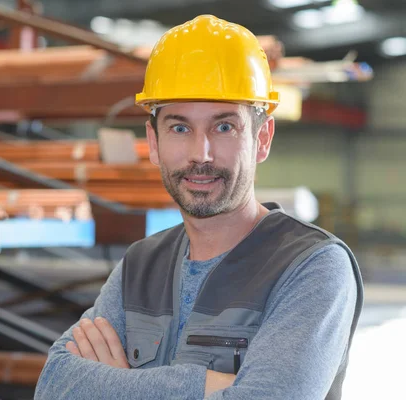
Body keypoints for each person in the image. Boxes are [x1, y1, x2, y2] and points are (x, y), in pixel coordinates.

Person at [34, 14, 363, 400]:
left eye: (224, 127)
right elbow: (54, 385)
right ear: (154, 143)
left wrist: (117, 387)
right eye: (179, 127)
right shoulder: (140, 265)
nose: (200, 153)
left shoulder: (311, 267)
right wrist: (206, 387)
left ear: (262, 138)